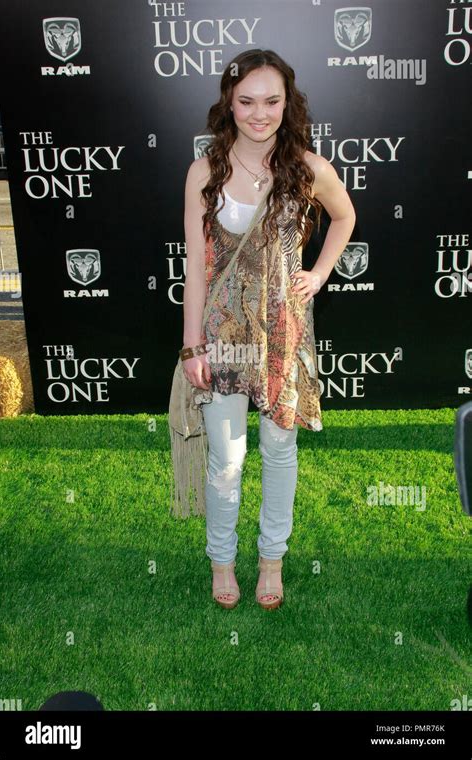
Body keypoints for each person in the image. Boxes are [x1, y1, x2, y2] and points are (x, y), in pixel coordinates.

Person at [181, 49, 356, 610]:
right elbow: (194, 265)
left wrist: (319, 273)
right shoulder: (205, 171)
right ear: (228, 104)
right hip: (224, 336)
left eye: (272, 101)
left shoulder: (307, 166)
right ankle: (222, 562)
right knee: (226, 460)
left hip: (282, 333)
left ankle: (271, 560)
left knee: (280, 452)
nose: (260, 113)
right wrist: (192, 345)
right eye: (247, 101)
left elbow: (345, 215)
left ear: (289, 102)